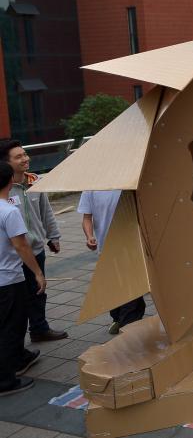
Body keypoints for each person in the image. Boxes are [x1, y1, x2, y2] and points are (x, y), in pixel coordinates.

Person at [0, 139, 67, 342]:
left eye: (25, 154)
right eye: (18, 157)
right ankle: (16, 346)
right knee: (17, 299)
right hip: (13, 255)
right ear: (6, 163)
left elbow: (46, 212)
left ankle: (39, 329)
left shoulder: (34, 181)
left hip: (36, 249)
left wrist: (53, 236)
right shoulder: (3, 189)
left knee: (39, 291)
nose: (25, 159)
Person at [0, 161, 45, 396]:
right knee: (11, 328)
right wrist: (37, 272)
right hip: (9, 278)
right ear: (10, 180)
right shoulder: (9, 211)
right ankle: (6, 380)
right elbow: (21, 246)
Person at [78, 190, 145, 334]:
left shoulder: (127, 184)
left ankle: (128, 326)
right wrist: (89, 236)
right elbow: (87, 217)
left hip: (130, 245)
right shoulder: (90, 189)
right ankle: (119, 318)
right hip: (106, 246)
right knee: (115, 286)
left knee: (131, 287)